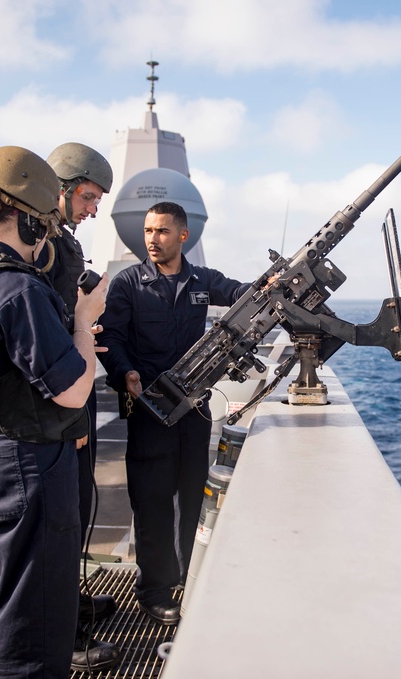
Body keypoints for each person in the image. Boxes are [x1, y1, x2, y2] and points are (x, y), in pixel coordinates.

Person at [0, 145, 115, 676]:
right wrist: (83, 320)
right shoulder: (15, 288)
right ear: (33, 223)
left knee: (9, 588)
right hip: (30, 463)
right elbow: (75, 393)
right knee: (36, 623)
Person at [96, 201, 250, 624]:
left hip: (194, 412)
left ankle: (186, 577)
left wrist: (270, 282)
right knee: (154, 505)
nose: (152, 239)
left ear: (183, 236)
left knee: (193, 500)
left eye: (162, 231)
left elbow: (241, 293)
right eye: (148, 231)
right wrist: (124, 371)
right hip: (150, 411)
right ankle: (153, 590)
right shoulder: (129, 283)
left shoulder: (201, 280)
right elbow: (110, 334)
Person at [42, 143, 120, 647]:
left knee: (77, 504)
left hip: (76, 384)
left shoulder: (59, 243)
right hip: (60, 402)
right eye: (88, 197)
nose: (93, 210)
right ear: (62, 189)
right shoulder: (45, 247)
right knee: (61, 521)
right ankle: (61, 627)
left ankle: (69, 597)